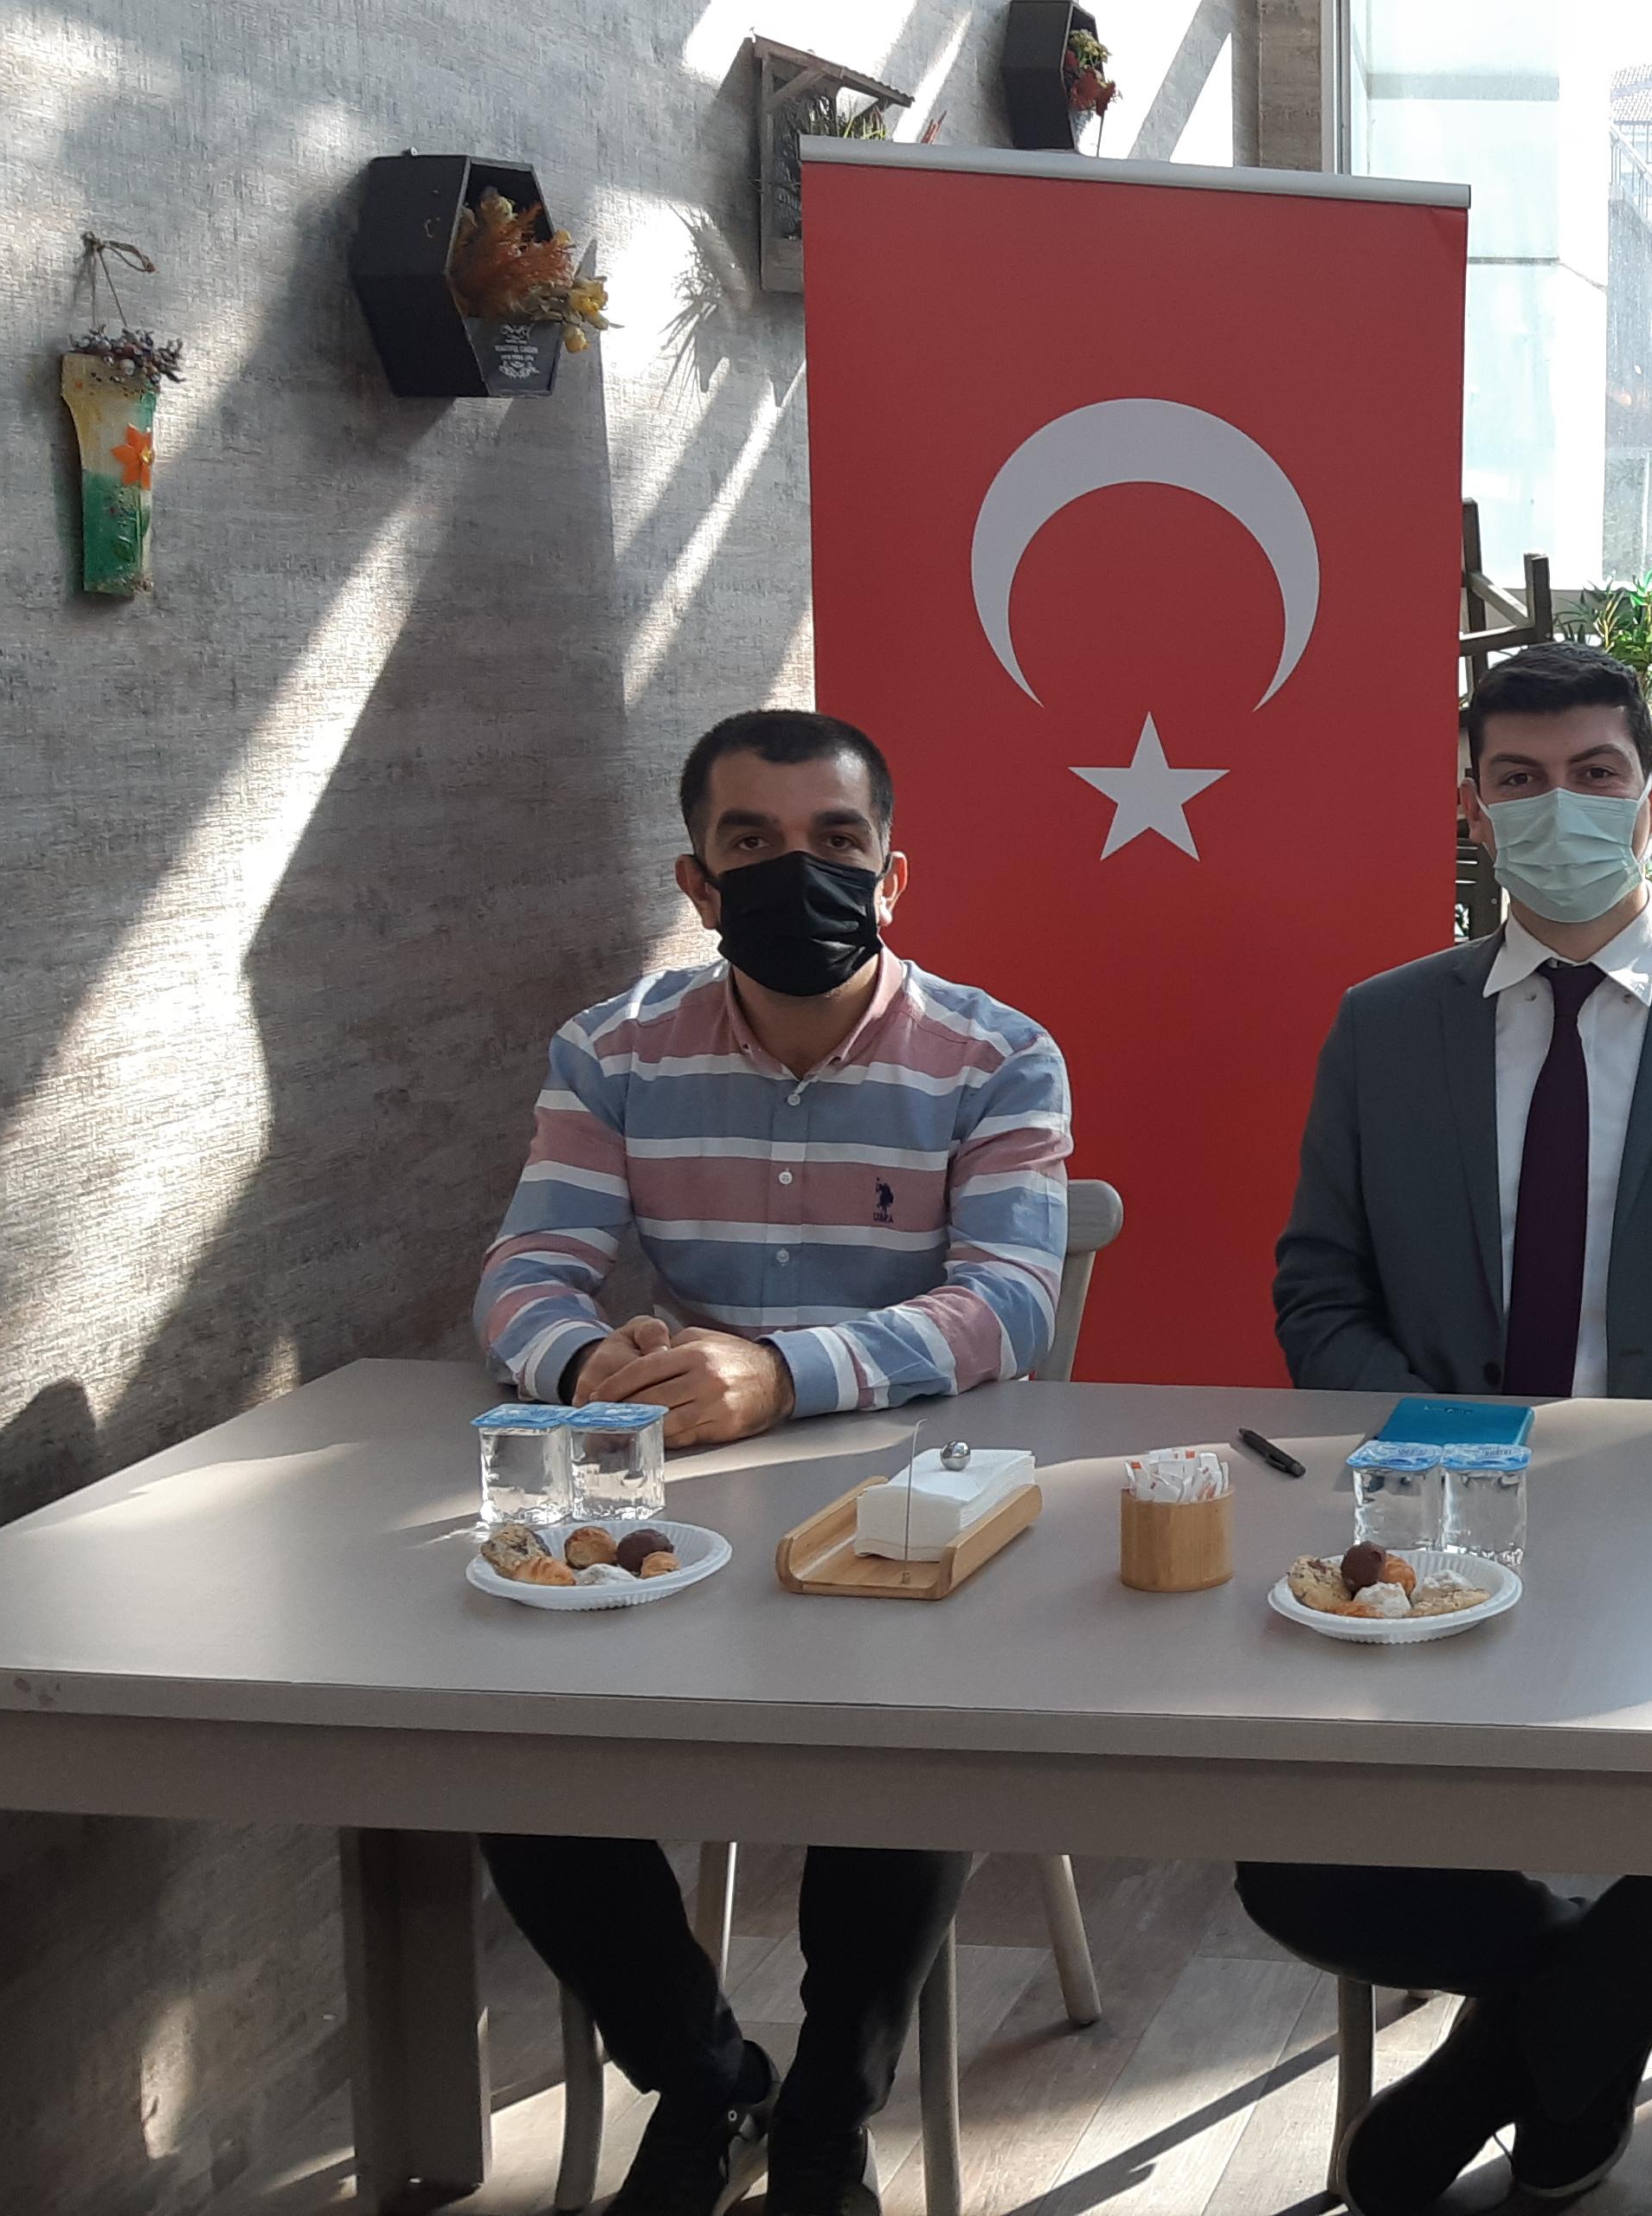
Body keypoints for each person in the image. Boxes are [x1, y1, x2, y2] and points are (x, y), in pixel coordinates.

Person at [1257, 641, 1652, 2213]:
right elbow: (1318, 1290)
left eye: (1596, 775)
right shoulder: (1383, 1026)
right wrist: (1446, 1448)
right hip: (1435, 1538)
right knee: (1291, 1859)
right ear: (1474, 810)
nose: (1560, 808)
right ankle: (1580, 2007)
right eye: (1519, 781)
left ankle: (1510, 2057)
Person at [472, 709, 1071, 2216]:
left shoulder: (999, 1057)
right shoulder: (612, 1050)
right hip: (679, 1498)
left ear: (894, 874)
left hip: (915, 1506)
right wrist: (587, 1362)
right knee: (505, 1742)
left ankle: (827, 2115)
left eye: (836, 842)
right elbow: (526, 1273)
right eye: (752, 844)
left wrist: (780, 1373)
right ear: (697, 882)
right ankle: (704, 2078)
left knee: (908, 1738)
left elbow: (1008, 1306)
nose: (797, 871)